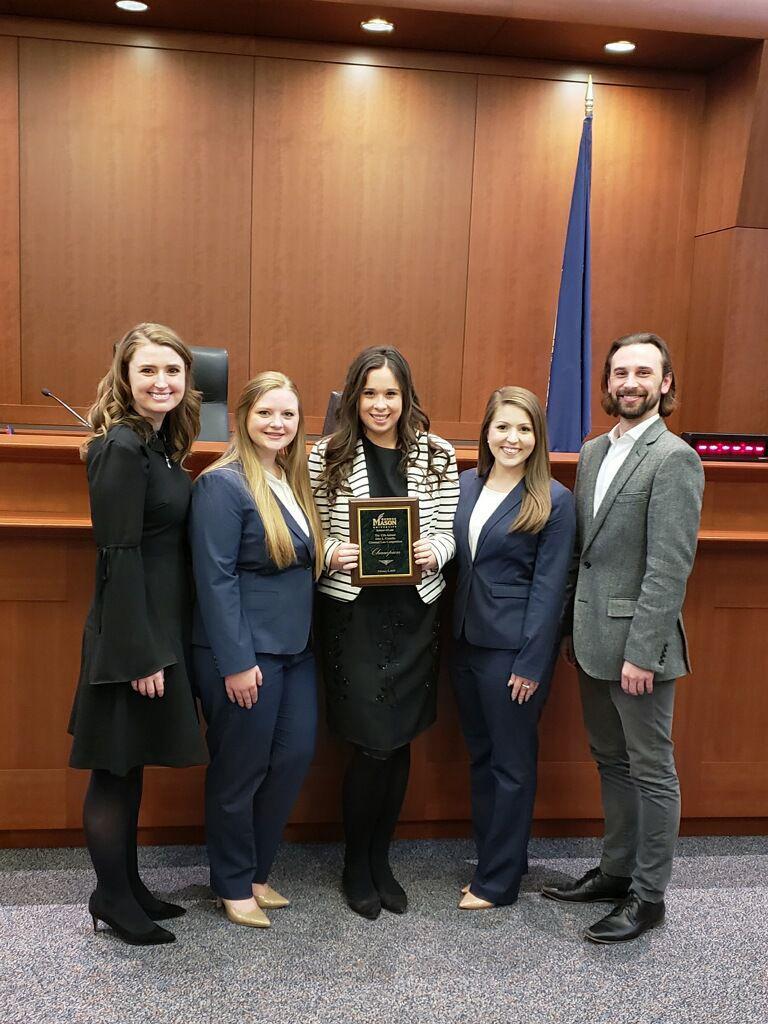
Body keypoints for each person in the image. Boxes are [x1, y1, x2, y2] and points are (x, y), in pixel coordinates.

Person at [541, 332, 705, 943]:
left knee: (652, 770)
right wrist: (569, 630)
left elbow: (669, 566)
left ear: (665, 383)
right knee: (611, 762)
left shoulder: (675, 458)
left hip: (640, 651)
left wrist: (645, 651)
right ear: (607, 383)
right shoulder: (590, 453)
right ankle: (614, 872)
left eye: (644, 372)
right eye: (619, 373)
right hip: (590, 642)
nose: (629, 383)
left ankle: (648, 894)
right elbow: (585, 554)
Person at [69, 323, 208, 946]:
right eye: (148, 371)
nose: (162, 382)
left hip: (159, 626)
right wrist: (139, 652)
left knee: (132, 765)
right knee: (113, 768)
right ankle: (111, 898)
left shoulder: (158, 445)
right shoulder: (120, 447)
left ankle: (127, 884)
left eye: (173, 371)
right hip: (131, 635)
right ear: (124, 377)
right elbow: (118, 555)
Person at [309, 346, 459, 919]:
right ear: (354, 397)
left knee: (399, 743)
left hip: (416, 612)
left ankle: (382, 861)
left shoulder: (438, 454)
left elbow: (448, 529)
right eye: (370, 393)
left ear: (407, 397)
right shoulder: (326, 455)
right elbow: (310, 526)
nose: (380, 404)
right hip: (354, 615)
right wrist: (331, 552)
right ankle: (356, 863)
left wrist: (433, 552)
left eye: (391, 393)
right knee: (371, 744)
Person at [189, 372, 324, 929]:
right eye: (266, 412)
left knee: (291, 761)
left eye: (288, 415)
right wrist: (237, 663)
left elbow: (293, 554)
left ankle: (257, 873)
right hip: (244, 655)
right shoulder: (222, 485)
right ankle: (231, 881)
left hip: (295, 649)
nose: (278, 424)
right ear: (243, 416)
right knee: (240, 770)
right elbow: (215, 580)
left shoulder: (288, 478)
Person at [451, 387, 575, 910]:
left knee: (512, 764)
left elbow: (551, 591)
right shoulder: (465, 485)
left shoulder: (555, 500)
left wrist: (531, 663)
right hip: (463, 642)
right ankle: (497, 857)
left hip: (513, 653)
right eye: (503, 427)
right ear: (486, 431)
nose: (512, 438)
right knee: (482, 757)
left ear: (537, 437)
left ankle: (498, 883)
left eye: (524, 429)